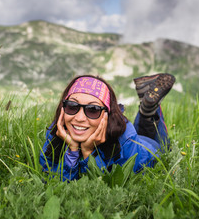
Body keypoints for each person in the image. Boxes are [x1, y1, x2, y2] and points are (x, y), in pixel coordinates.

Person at [39, 73, 175, 181]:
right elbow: (55, 180)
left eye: (93, 109)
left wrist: (88, 152)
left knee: (163, 145)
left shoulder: (126, 141)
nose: (79, 118)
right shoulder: (57, 132)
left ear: (107, 115)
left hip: (150, 150)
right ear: (63, 108)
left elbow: (105, 186)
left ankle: (147, 111)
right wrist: (72, 150)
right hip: (136, 139)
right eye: (72, 106)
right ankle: (147, 109)